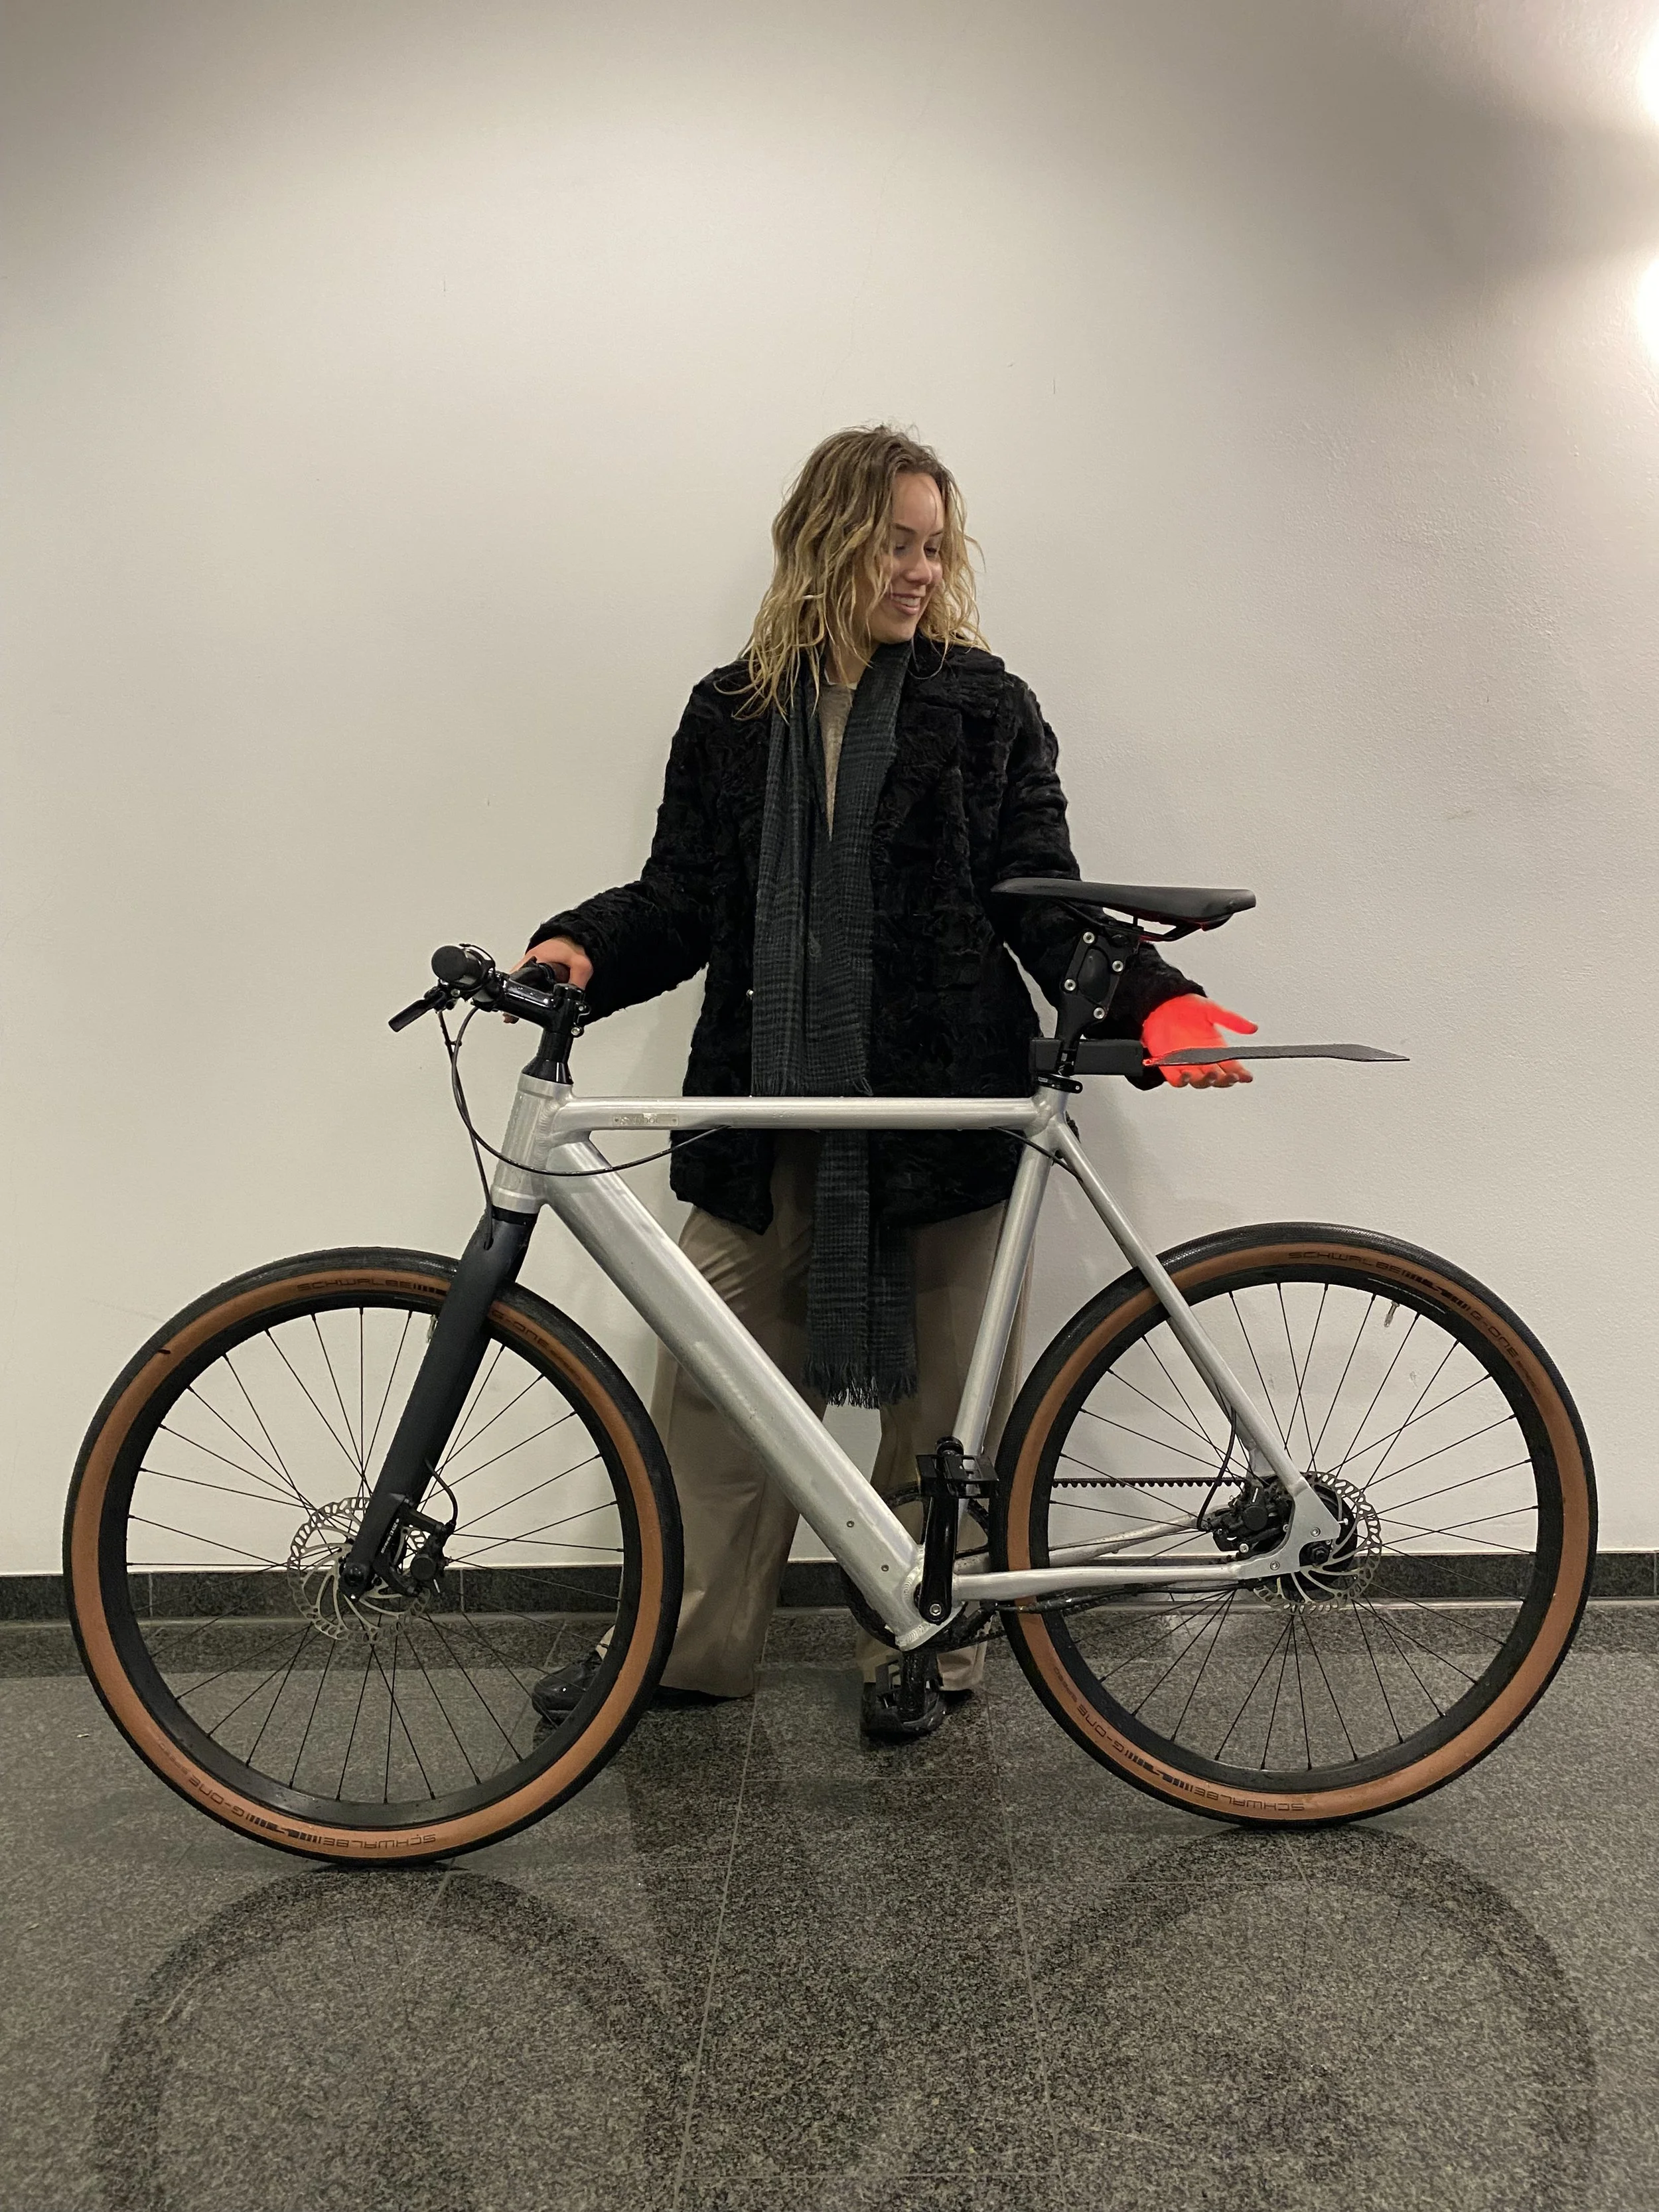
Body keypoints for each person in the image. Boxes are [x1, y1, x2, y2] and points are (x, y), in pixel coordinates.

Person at [524, 425, 1254, 1741]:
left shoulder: (985, 709)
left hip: (933, 1126)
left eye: (934, 546)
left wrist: (1158, 999)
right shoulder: (731, 712)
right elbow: (681, 898)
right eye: (895, 543)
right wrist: (581, 946)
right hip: (764, 1118)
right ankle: (682, 1647)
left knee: (939, 1423)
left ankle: (926, 1651)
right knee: (710, 1399)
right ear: (824, 544)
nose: (919, 569)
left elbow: (1038, 898)